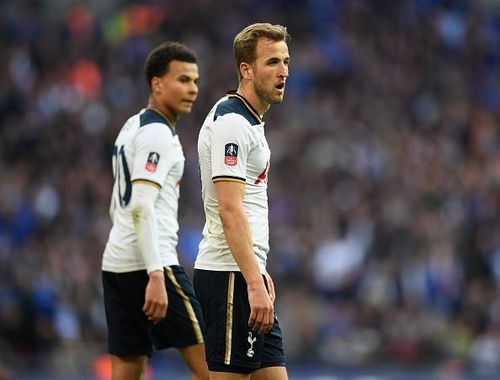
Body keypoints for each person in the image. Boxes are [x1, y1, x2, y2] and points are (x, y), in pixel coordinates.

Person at [101, 41, 208, 380]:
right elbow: (141, 206)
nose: (192, 89)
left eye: (195, 80)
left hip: (116, 264)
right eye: (182, 80)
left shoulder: (130, 127)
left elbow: (115, 206)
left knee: (127, 368)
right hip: (153, 264)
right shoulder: (158, 135)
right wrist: (156, 274)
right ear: (157, 84)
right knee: (216, 368)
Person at [193, 23, 290, 379]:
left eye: (285, 61)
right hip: (229, 277)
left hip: (246, 275)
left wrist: (259, 272)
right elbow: (230, 210)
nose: (283, 72)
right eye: (272, 63)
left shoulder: (248, 122)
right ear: (246, 69)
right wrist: (252, 280)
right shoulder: (232, 122)